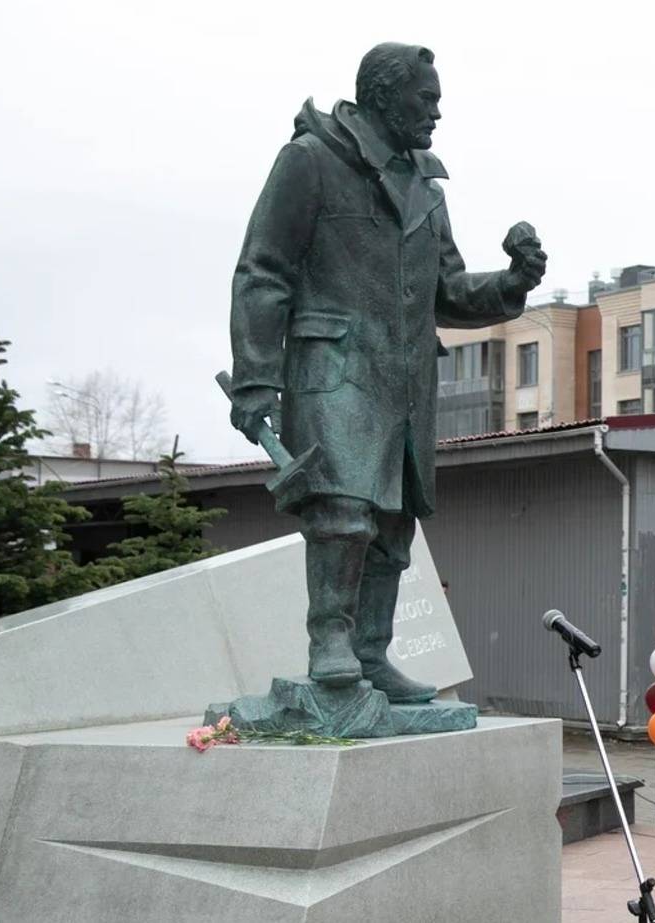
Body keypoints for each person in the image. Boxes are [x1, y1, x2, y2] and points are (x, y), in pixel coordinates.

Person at [229, 43, 546, 701]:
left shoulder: (425, 190)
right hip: (334, 366)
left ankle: (371, 652)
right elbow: (264, 269)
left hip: (404, 379)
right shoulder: (311, 161)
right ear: (381, 95)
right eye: (424, 99)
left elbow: (449, 292)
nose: (436, 111)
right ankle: (330, 641)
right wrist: (257, 373)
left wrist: (513, 282)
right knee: (343, 509)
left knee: (393, 523)